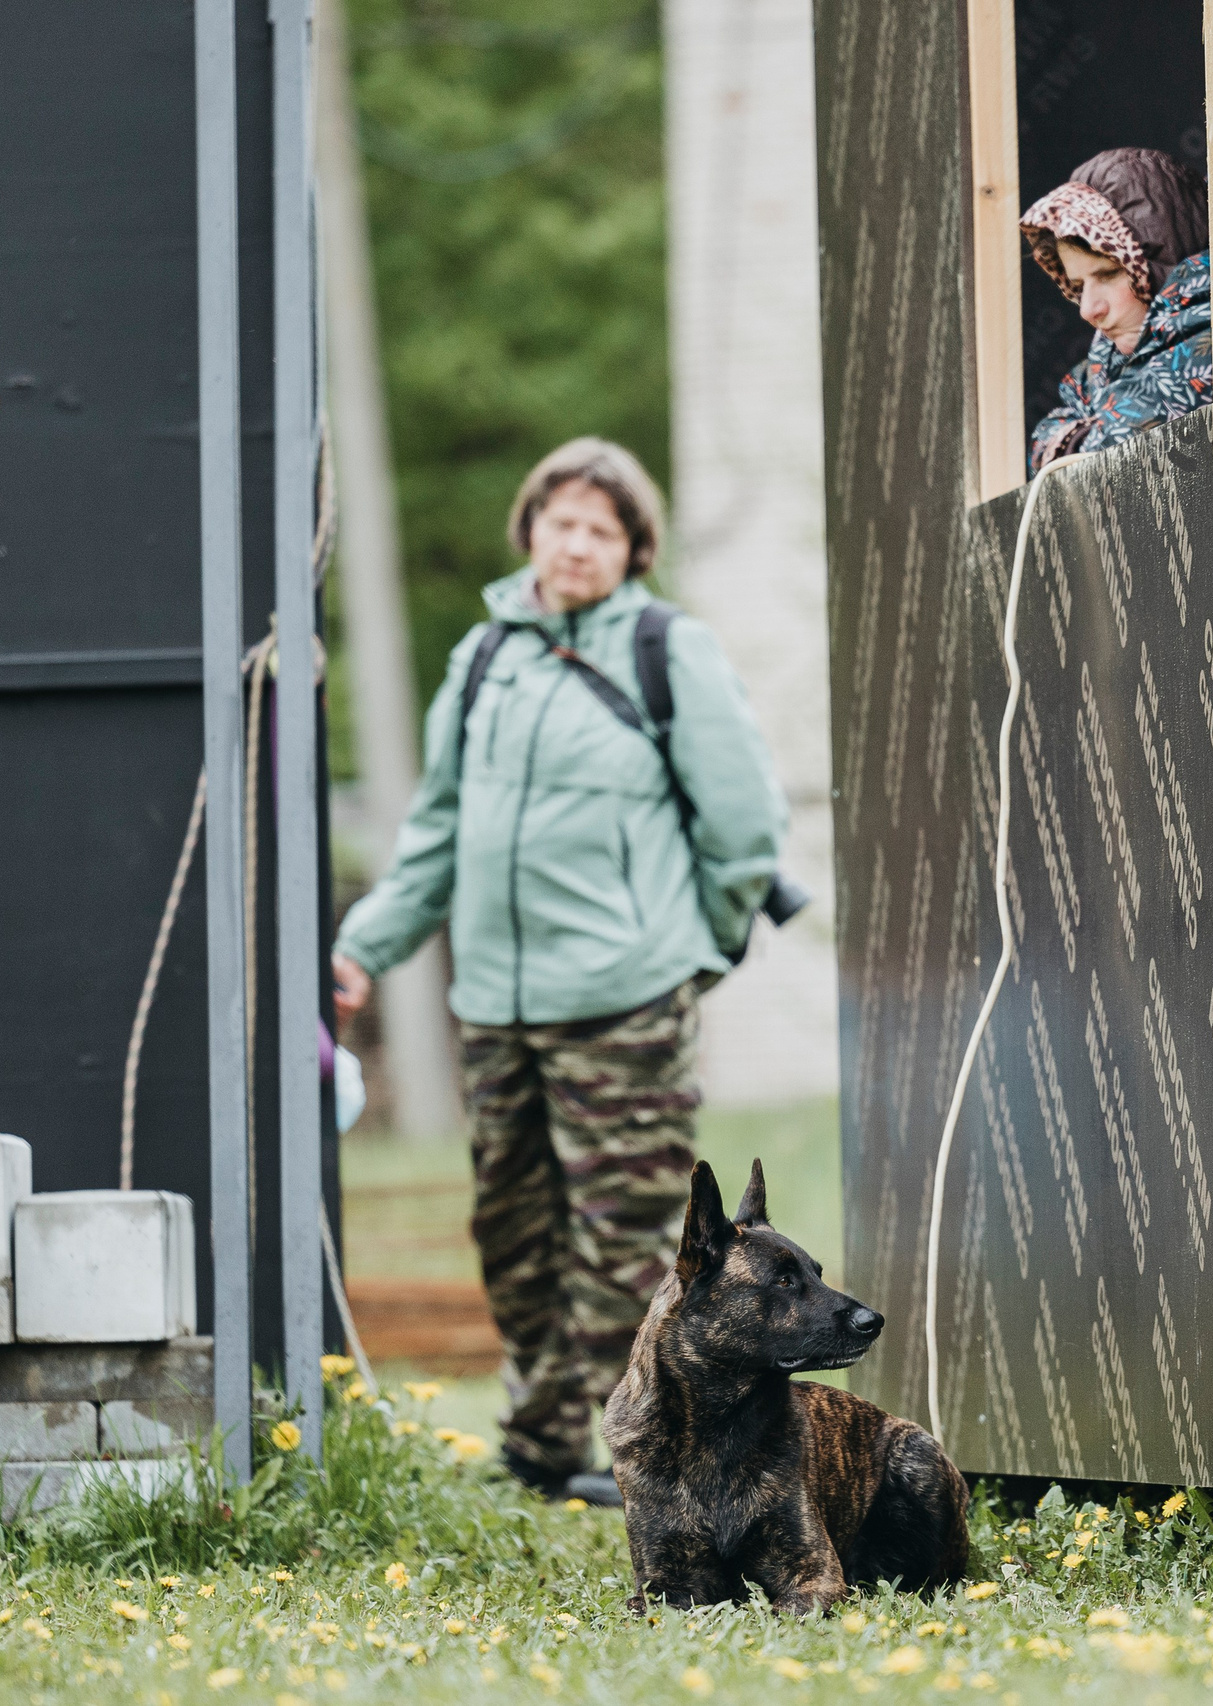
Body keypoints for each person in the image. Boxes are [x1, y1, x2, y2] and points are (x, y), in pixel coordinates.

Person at [332, 438, 785, 1506]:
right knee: (516, 1233)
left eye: (602, 527)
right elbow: (434, 832)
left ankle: (625, 1446)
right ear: (529, 529)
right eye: (560, 520)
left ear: (631, 549)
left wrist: (691, 954)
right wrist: (363, 948)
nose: (576, 543)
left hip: (626, 999)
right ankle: (541, 1443)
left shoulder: (668, 650)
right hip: (494, 1006)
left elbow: (744, 830)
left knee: (625, 1243)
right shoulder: (486, 658)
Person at [1020, 147, 1213, 473]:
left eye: (1108, 274)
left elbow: (1114, 442)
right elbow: (1043, 439)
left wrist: (1080, 433)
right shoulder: (1101, 366)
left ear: (1158, 264)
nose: (1087, 310)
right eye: (1079, 286)